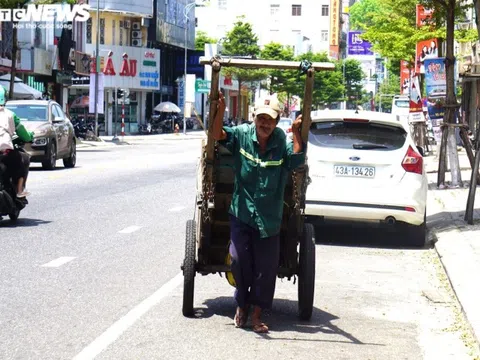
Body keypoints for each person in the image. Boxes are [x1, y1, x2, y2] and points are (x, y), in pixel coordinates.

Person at [212, 92, 306, 333]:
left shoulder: (280, 143)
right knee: (239, 260)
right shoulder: (242, 135)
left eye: (270, 119)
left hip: (269, 218)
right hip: (241, 213)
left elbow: (296, 162)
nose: (265, 124)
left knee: (266, 269)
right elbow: (217, 135)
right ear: (254, 117)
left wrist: (296, 132)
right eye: (261, 118)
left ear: (277, 121)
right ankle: (241, 305)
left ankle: (256, 314)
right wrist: (220, 111)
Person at [0, 87, 34, 197]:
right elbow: (23, 133)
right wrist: (30, 137)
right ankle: (19, 190)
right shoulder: (10, 115)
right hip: (4, 151)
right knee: (23, 159)